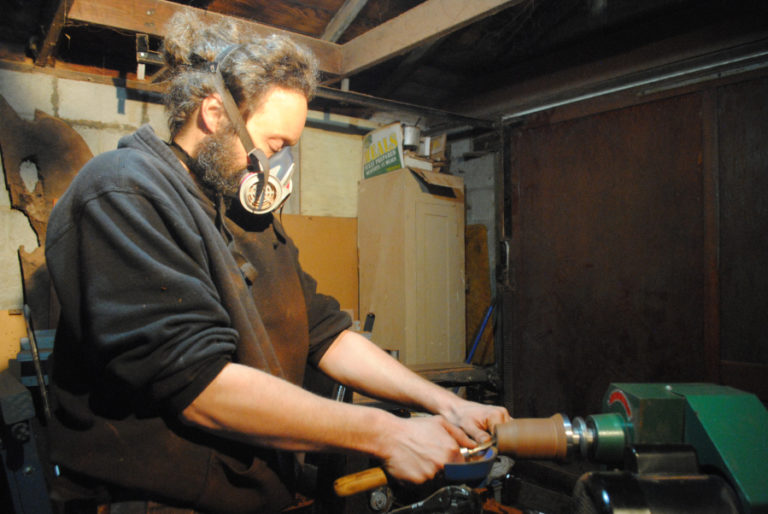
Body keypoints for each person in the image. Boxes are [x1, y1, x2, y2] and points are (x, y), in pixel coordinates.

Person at [44, 11, 510, 514]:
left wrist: (444, 402)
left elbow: (325, 331)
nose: (276, 165)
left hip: (256, 495)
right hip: (154, 501)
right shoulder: (123, 193)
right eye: (274, 145)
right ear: (215, 114)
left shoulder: (244, 212)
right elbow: (199, 386)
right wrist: (388, 433)